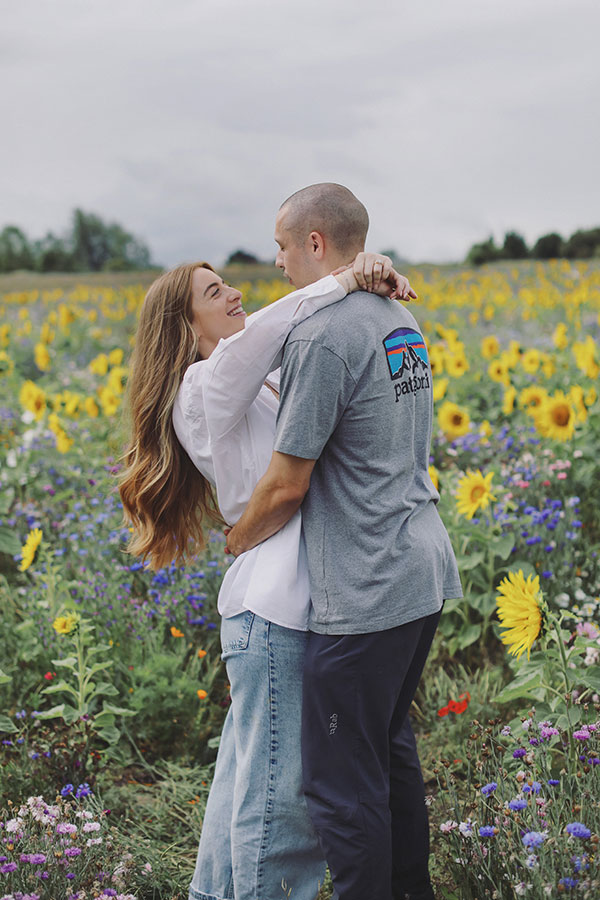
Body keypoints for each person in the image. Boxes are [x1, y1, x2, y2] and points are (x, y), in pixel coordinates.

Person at [118, 242, 414, 900]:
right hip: (276, 612)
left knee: (243, 790)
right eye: (213, 291)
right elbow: (283, 322)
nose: (233, 295)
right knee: (282, 811)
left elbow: (307, 334)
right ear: (186, 326)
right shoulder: (205, 386)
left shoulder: (257, 380)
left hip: (271, 610)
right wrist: (341, 276)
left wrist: (365, 271)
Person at [225, 183, 464, 900]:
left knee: (338, 786)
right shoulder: (397, 317)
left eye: (282, 245)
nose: (276, 262)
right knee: (388, 760)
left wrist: (235, 538)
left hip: (365, 585)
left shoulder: (323, 337)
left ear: (316, 244)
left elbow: (287, 483)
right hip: (419, 566)